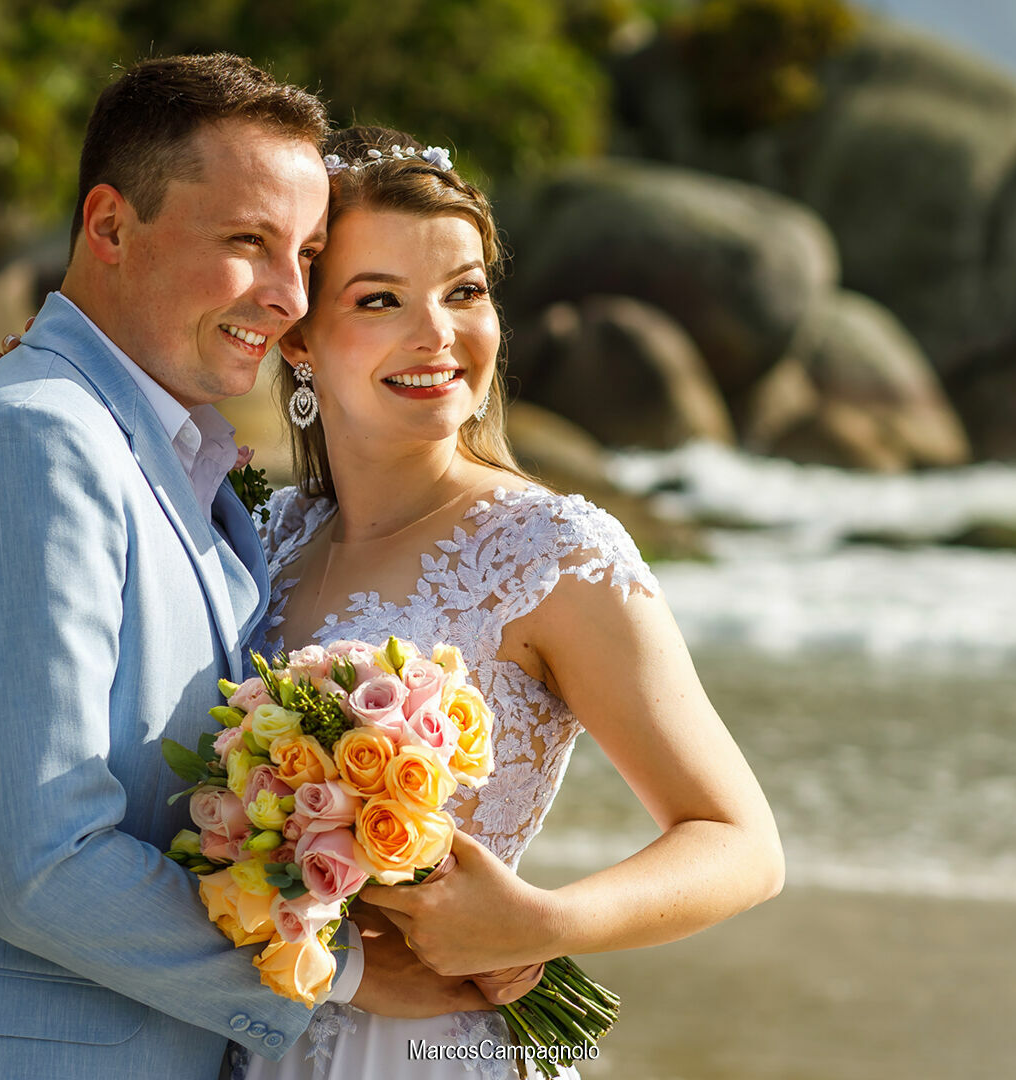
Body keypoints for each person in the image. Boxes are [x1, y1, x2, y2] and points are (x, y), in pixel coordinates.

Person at [0, 59, 484, 1080]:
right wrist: (336, 971)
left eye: (303, 254)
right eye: (247, 242)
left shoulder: (162, 451)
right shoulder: (37, 442)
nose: (289, 298)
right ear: (110, 227)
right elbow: (46, 865)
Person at [236, 125, 786, 1079]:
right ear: (297, 336)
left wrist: (541, 922)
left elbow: (741, 843)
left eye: (465, 291)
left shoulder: (551, 554)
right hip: (261, 1027)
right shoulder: (260, 537)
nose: (437, 335)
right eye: (379, 300)